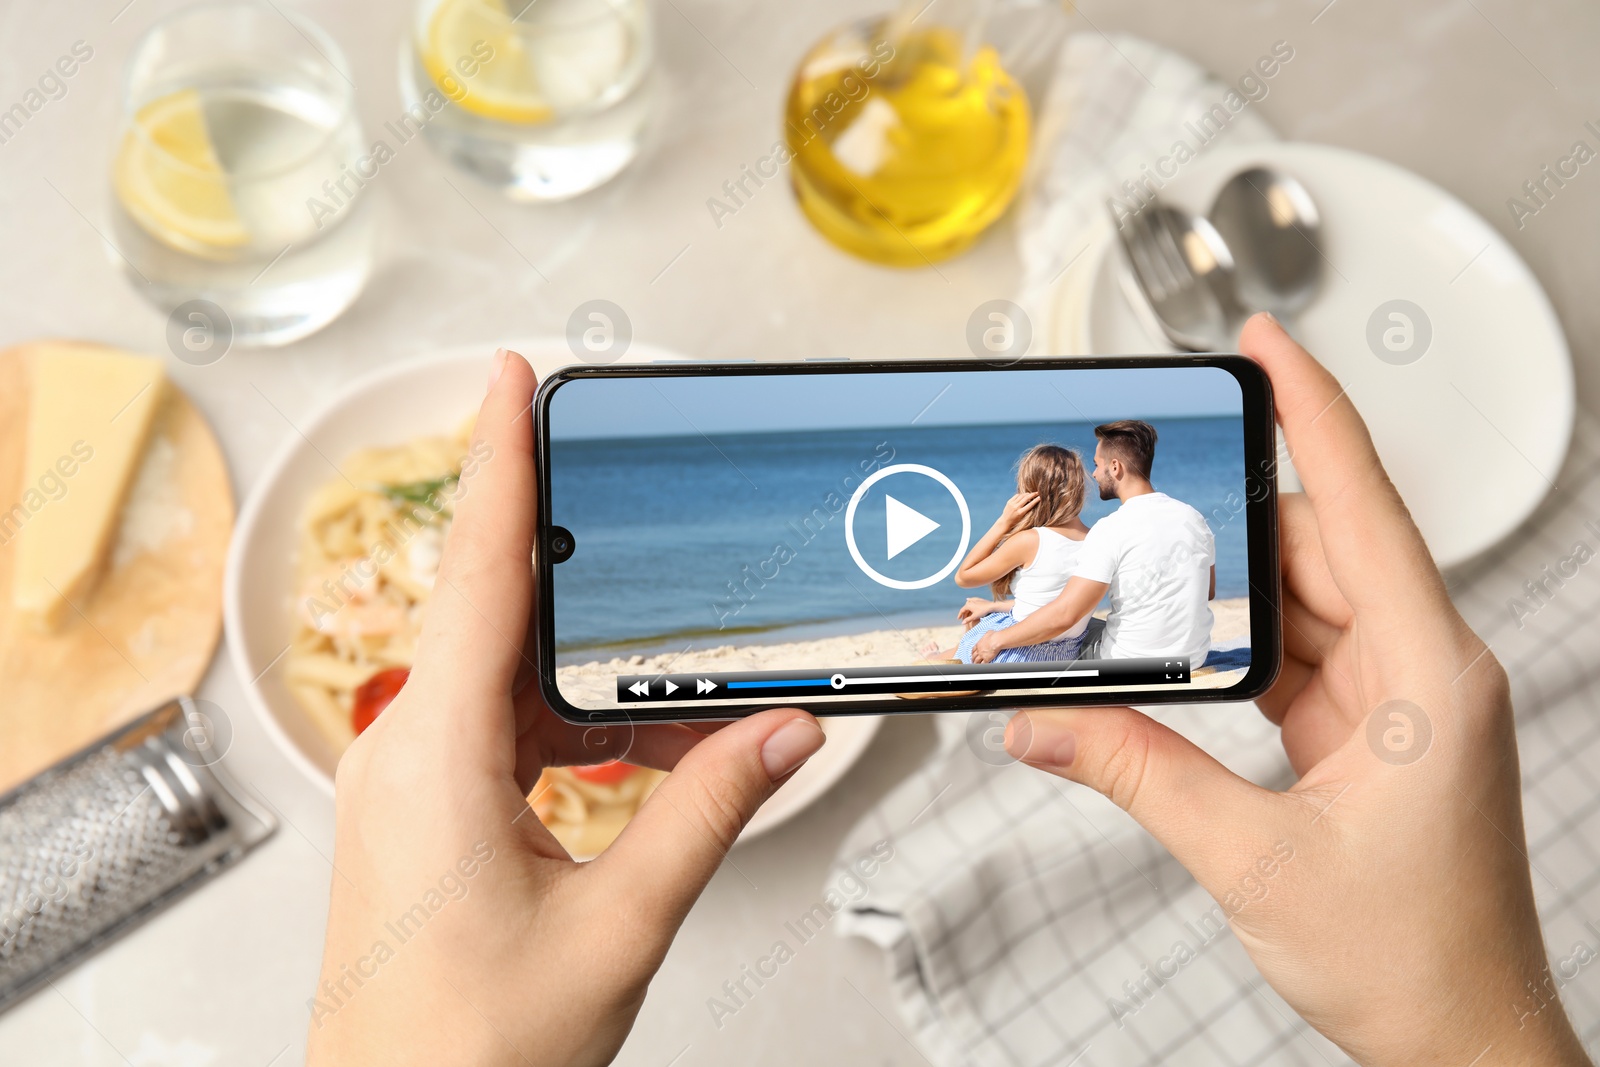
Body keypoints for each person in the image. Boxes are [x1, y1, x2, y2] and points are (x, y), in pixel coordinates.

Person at [310, 318, 1593, 1067]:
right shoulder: (1133, 530)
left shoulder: (1084, 543)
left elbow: (1040, 598)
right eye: (1073, 465)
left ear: (1103, 464)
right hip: (1071, 642)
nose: (1081, 473)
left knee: (975, 629)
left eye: (1083, 461)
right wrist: (1478, 1031)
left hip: (1059, 652)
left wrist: (992, 606)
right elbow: (1008, 580)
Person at [970, 419, 1217, 669]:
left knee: (1066, 633)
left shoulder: (1110, 528)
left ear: (1115, 467)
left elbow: (1065, 615)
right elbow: (1207, 591)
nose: (1095, 474)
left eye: (1097, 465)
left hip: (1130, 662)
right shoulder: (1193, 517)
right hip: (1193, 658)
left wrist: (996, 641)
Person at [922, 443, 1091, 664]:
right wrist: (994, 605)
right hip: (1063, 653)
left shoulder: (1030, 541)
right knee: (986, 618)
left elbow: (964, 576)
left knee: (977, 632)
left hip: (1018, 652)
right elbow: (1053, 602)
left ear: (1030, 491)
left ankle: (934, 658)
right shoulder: (1095, 539)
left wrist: (1003, 522)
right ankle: (941, 655)